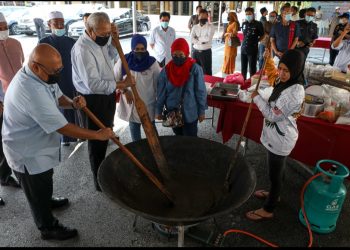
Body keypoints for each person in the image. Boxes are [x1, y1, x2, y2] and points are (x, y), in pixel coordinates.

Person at [2, 43, 116, 240]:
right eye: (55, 71)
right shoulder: (29, 90)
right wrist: (98, 135)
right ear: (36, 66)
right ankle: (47, 227)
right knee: (36, 188)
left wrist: (72, 104)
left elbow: (57, 96)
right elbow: (62, 127)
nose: (59, 74)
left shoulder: (41, 74)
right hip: (26, 152)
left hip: (40, 146)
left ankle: (47, 201)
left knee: (45, 180)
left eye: (60, 69)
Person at [71, 12, 134, 192]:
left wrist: (114, 39)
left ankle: (104, 171)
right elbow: (93, 84)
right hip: (92, 98)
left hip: (107, 92)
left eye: (108, 33)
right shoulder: (82, 49)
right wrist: (123, 84)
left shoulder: (102, 38)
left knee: (107, 131)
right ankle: (98, 179)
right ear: (90, 30)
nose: (105, 37)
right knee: (97, 138)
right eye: (102, 34)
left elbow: (111, 55)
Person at [246, 48, 305, 221]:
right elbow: (273, 76)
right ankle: (274, 193)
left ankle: (269, 208)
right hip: (274, 136)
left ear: (296, 70)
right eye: (281, 68)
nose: (282, 73)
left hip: (281, 139)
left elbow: (273, 115)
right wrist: (269, 60)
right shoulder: (285, 82)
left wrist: (256, 97)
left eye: (287, 71)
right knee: (277, 172)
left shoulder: (295, 92)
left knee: (275, 174)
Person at [39, 11, 80, 146]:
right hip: (53, 81)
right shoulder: (44, 43)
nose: (60, 26)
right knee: (57, 108)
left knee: (72, 106)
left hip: (70, 79)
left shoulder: (71, 41)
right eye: (56, 23)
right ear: (49, 24)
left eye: (62, 23)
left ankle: (74, 136)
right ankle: (64, 138)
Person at [155, 38, 207, 137]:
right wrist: (159, 110)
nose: (178, 58)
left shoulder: (195, 69)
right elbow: (161, 93)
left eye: (181, 55)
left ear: (187, 54)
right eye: (175, 55)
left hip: (190, 112)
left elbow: (201, 92)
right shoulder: (166, 71)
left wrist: (201, 111)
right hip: (173, 113)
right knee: (178, 137)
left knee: (190, 139)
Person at [114, 34, 160, 142]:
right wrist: (124, 91)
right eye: (137, 49)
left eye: (142, 49)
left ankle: (158, 150)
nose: (140, 51)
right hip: (131, 103)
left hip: (148, 104)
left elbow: (158, 84)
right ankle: (138, 152)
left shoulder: (152, 63)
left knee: (152, 132)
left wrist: (159, 108)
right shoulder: (124, 61)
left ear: (146, 48)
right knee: (135, 132)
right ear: (132, 48)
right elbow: (115, 79)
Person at [0, 12, 23, 188]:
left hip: (18, 101)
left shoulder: (16, 43)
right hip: (1, 103)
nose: (3, 30)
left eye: (5, 26)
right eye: (0, 28)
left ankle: (5, 175)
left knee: (11, 140)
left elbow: (22, 69)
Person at [240, 7, 264, 80]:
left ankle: (251, 84)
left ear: (253, 14)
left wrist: (256, 41)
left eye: (249, 14)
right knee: (243, 68)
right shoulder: (244, 23)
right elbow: (244, 35)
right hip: (243, 49)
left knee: (252, 69)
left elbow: (263, 35)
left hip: (252, 49)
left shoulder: (258, 24)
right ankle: (243, 82)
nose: (248, 15)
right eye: (246, 14)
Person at [191, 9, 215, 76]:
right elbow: (191, 39)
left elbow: (208, 38)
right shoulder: (195, 27)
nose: (203, 18)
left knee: (207, 72)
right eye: (201, 17)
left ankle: (207, 86)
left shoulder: (211, 27)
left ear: (207, 17)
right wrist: (202, 41)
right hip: (195, 53)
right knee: (194, 72)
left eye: (205, 17)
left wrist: (197, 39)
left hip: (206, 53)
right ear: (198, 17)